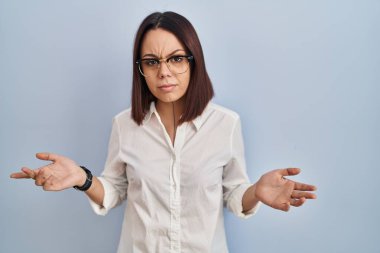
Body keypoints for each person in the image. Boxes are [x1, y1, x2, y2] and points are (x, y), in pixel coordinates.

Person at [10, 11, 317, 253]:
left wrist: (256, 193)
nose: (164, 72)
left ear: (194, 61)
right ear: (141, 68)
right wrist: (83, 178)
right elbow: (116, 190)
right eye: (152, 61)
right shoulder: (124, 124)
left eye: (176, 58)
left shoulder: (226, 124)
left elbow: (234, 195)